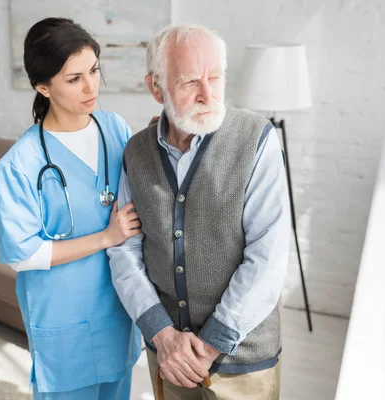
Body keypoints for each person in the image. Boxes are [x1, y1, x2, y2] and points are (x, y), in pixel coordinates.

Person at [107, 24, 290, 400]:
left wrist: (207, 346)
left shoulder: (257, 139)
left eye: (216, 78)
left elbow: (268, 259)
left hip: (244, 358)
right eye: (191, 81)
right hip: (168, 355)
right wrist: (163, 335)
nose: (208, 94)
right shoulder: (135, 152)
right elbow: (125, 251)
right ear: (156, 87)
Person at [0, 17, 142, 400]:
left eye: (93, 70)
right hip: (62, 313)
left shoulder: (116, 129)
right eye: (74, 79)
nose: (91, 86)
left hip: (117, 306)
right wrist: (105, 237)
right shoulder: (20, 163)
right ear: (43, 87)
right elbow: (24, 254)